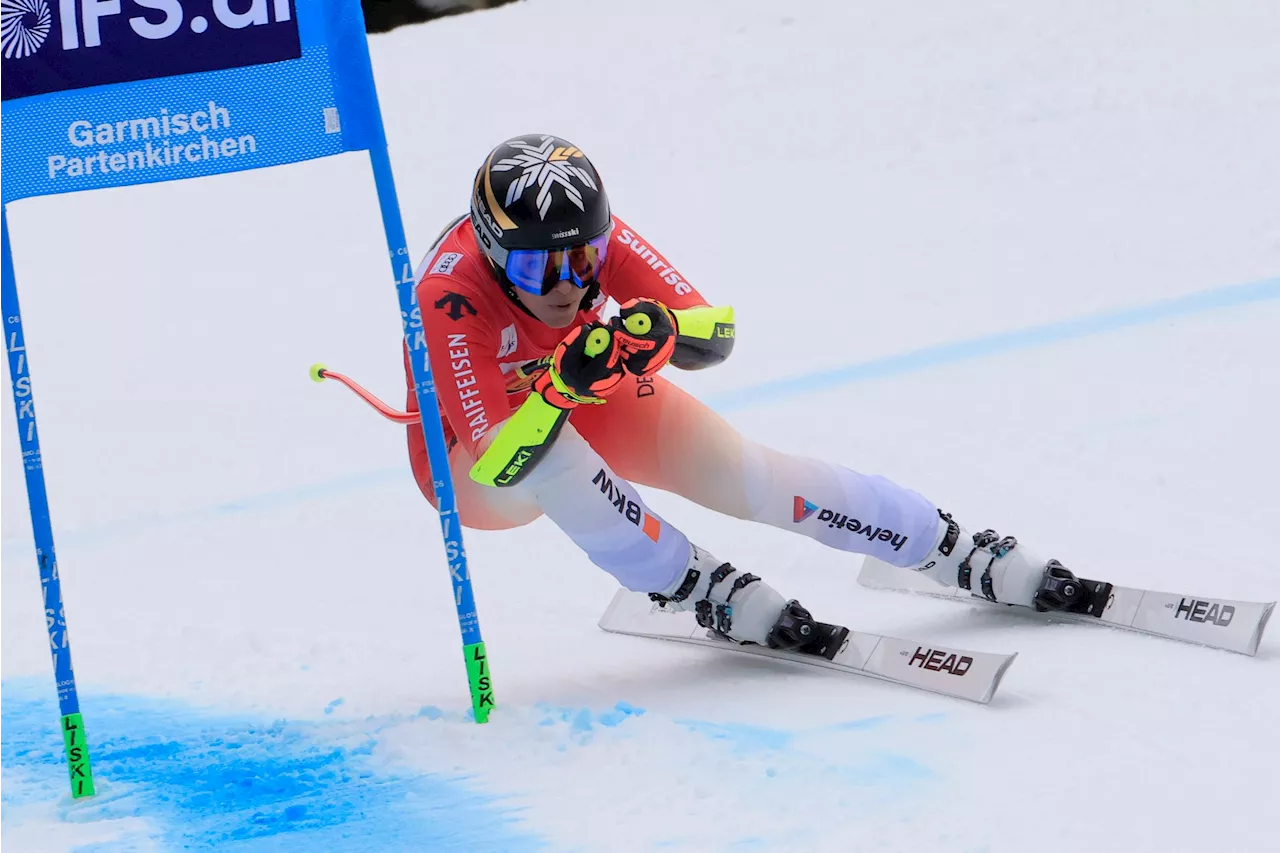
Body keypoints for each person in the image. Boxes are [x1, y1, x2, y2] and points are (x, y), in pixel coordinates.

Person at [403, 133, 1108, 657]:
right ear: (494, 254)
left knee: (743, 471)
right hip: (470, 462)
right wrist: (559, 386)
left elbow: (717, 332)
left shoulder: (591, 235)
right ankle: (693, 583)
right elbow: (499, 462)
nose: (564, 283)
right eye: (533, 266)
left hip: (578, 389)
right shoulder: (450, 293)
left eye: (583, 258)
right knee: (553, 454)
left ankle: (947, 545)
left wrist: (664, 330)